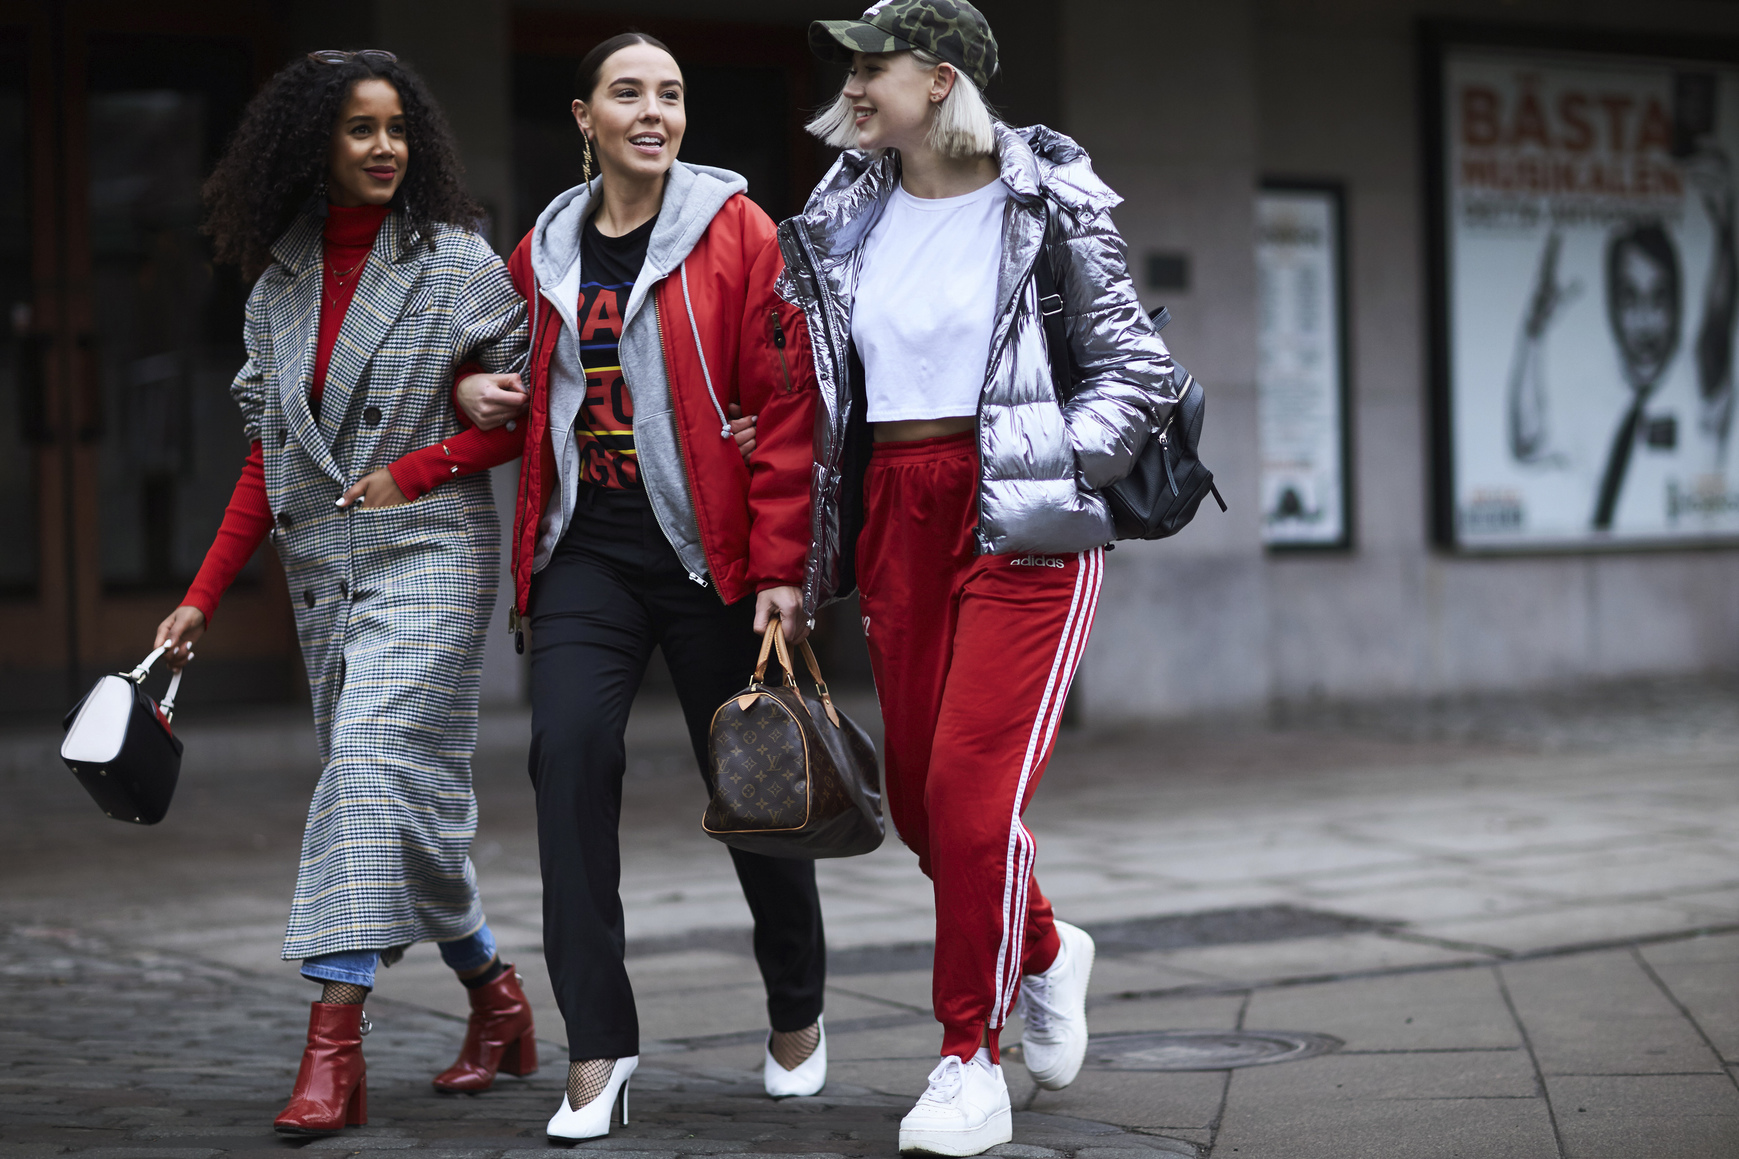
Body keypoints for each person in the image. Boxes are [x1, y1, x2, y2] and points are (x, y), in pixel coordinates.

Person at [770, 2, 1181, 1153]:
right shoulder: (840, 213)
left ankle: (967, 1058)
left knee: (967, 793)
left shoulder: (1046, 200)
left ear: (939, 78)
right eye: (846, 66)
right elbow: (819, 384)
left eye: (873, 65)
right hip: (901, 511)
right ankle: (1046, 946)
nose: (851, 85)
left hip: (1022, 521)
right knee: (918, 800)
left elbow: (1135, 371)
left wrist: (1047, 463)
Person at [151, 50, 535, 1136]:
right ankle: (496, 997)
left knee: (366, 768)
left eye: (397, 129)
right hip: (325, 574)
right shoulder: (275, 288)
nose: (381, 147)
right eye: (359, 128)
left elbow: (529, 407)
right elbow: (266, 459)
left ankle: (334, 1047)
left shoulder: (455, 263)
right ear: (310, 143)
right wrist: (200, 596)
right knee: (394, 798)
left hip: (428, 553)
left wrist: (421, 463)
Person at [452, 31, 826, 1141]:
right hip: (585, 557)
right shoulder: (541, 249)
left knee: (754, 783)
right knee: (567, 756)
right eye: (628, 94)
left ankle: (797, 1009)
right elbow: (485, 359)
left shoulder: (737, 231)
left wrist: (777, 568)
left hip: (708, 554)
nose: (653, 112)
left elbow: (785, 397)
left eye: (668, 94)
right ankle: (598, 1051)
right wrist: (475, 384)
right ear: (584, 117)